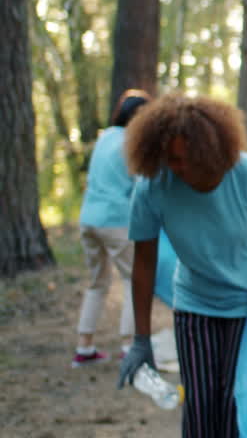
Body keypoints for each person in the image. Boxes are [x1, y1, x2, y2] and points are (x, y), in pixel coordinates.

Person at [117, 94, 247, 438]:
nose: (176, 168)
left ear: (209, 151)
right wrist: (142, 339)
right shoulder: (154, 185)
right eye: (169, 159)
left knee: (238, 407)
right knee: (200, 412)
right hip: (196, 304)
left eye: (184, 159)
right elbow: (143, 261)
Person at [72, 89, 150, 367]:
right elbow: (142, 185)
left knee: (97, 282)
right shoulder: (132, 143)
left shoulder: (104, 138)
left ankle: (85, 347)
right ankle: (129, 345)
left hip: (88, 218)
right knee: (134, 280)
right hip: (116, 220)